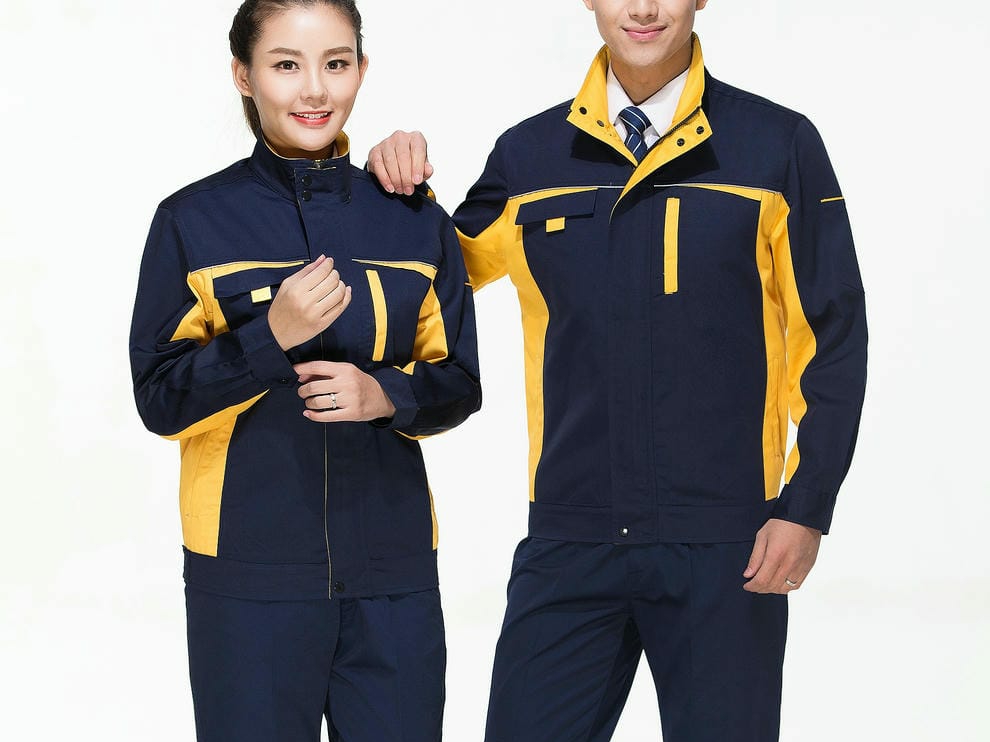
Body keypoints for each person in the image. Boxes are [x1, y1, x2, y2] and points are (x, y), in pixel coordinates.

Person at [369, 1, 867, 740]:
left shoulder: (775, 145)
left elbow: (830, 336)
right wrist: (395, 190)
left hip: (725, 542)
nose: (642, 8)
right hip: (572, 535)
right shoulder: (530, 155)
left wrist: (806, 504)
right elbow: (436, 280)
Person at [129, 1, 480, 740]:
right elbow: (160, 399)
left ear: (362, 69)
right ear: (244, 75)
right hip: (248, 581)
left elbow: (459, 381)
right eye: (286, 64)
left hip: (393, 576)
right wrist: (270, 337)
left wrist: (382, 394)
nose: (315, 89)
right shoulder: (193, 222)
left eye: (336, 63)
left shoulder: (415, 219)